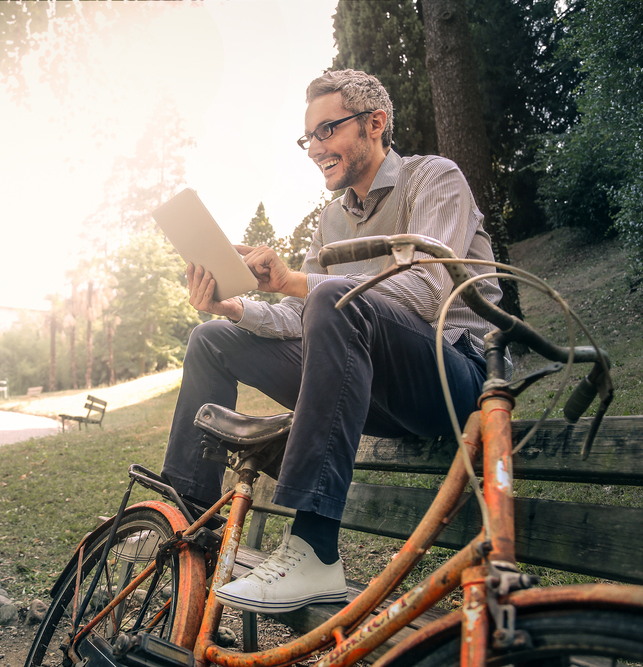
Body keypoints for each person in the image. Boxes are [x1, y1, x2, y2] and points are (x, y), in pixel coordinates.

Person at [160, 69, 504, 614]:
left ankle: (315, 549)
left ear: (375, 123)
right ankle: (186, 525)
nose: (315, 148)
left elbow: (427, 289)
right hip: (368, 387)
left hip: (455, 376)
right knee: (213, 338)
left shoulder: (433, 178)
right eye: (309, 138)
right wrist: (234, 306)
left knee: (333, 299)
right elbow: (299, 316)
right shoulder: (331, 221)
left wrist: (300, 283)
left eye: (327, 131)